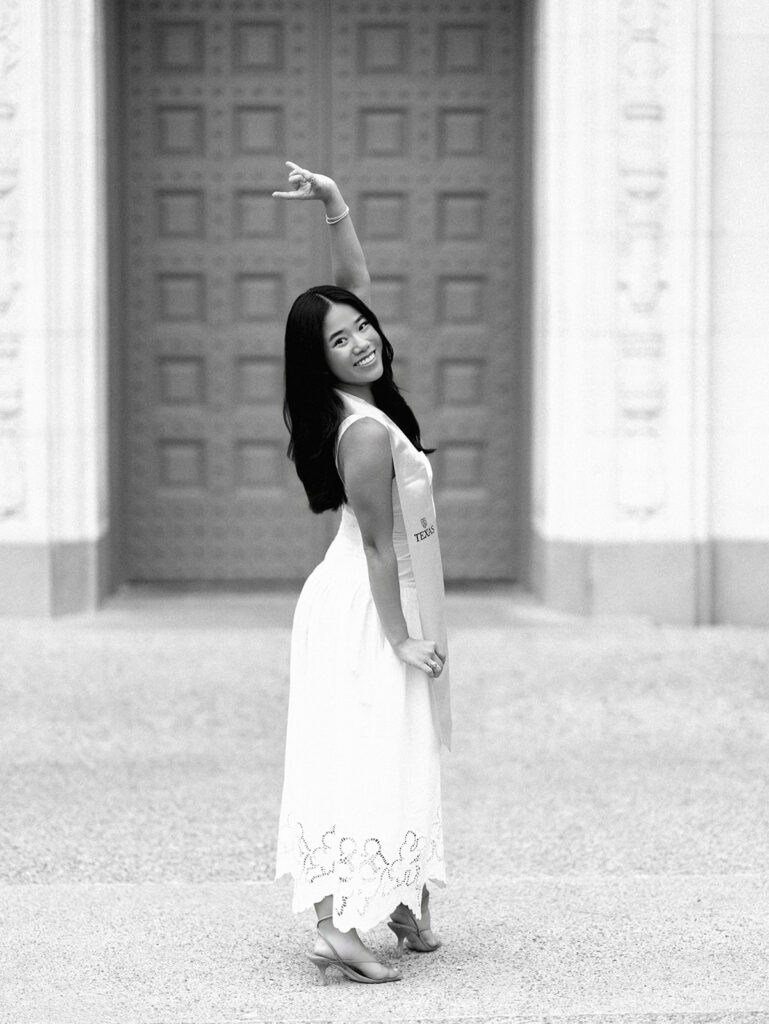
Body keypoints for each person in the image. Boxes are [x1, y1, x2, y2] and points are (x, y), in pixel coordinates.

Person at [272, 161, 452, 985]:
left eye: (361, 328)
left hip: (370, 588)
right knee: (359, 748)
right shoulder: (367, 435)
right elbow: (379, 547)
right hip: (363, 599)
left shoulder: (354, 404)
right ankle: (337, 926)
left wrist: (335, 206)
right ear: (323, 364)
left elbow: (351, 293)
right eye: (339, 342)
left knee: (397, 741)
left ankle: (401, 895)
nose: (359, 341)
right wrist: (401, 639)